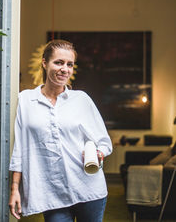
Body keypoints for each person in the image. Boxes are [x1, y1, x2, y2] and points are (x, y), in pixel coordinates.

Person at [8, 39, 113, 222]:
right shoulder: (26, 100)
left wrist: (98, 153)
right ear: (44, 63)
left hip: (88, 188)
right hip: (51, 193)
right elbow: (20, 149)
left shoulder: (81, 100)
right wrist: (15, 189)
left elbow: (104, 142)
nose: (65, 69)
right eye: (58, 62)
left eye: (69, 64)